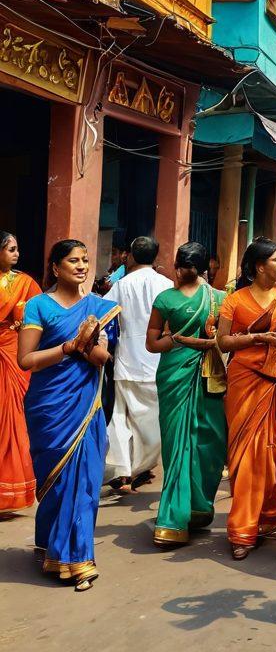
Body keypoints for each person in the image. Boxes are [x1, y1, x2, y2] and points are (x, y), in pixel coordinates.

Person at [18, 240, 119, 590]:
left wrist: (94, 346)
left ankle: (77, 558)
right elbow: (26, 360)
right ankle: (51, 542)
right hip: (49, 405)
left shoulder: (99, 308)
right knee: (57, 481)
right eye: (73, 260)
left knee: (86, 480)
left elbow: (103, 360)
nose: (81, 266)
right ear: (55, 267)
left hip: (86, 403)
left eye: (85, 260)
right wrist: (68, 347)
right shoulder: (38, 306)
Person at [216, 239, 276, 559]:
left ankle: (268, 515)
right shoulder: (234, 301)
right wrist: (258, 337)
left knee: (275, 453)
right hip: (244, 381)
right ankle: (242, 529)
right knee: (245, 459)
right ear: (259, 266)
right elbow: (223, 342)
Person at [146, 242, 226, 547]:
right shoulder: (169, 299)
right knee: (190, 443)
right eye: (182, 266)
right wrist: (183, 341)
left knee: (205, 443)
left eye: (185, 267)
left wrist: (184, 341)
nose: (182, 272)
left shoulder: (219, 299)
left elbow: (225, 340)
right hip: (178, 376)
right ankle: (173, 517)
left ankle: (197, 507)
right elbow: (152, 343)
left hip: (203, 375)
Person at [106, 236, 172, 492]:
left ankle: (123, 470)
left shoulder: (121, 285)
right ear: (156, 257)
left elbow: (106, 314)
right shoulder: (167, 285)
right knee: (152, 420)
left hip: (126, 359)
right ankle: (140, 467)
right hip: (157, 359)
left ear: (131, 255)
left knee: (121, 418)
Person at [0, 231, 40, 513]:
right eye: (11, 249)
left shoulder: (25, 282)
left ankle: (11, 490)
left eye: (17, 249)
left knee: (14, 416)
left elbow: (37, 316)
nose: (16, 254)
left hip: (13, 353)